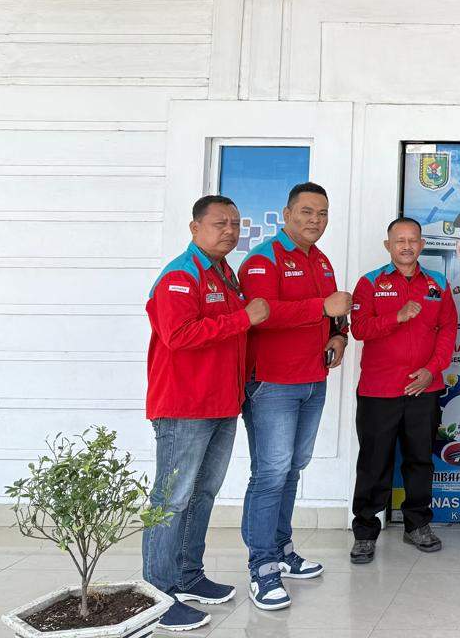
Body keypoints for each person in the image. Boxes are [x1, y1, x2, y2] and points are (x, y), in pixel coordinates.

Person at [142, 195, 269, 631]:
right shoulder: (181, 275)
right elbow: (178, 335)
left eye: (235, 223)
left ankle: (187, 575)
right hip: (184, 406)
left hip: (220, 403)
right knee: (171, 499)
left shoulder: (223, 273)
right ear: (195, 228)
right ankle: (158, 595)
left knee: (202, 494)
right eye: (219, 223)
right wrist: (244, 318)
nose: (230, 230)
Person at [238, 182, 352, 610]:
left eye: (322, 213)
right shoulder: (262, 260)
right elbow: (259, 315)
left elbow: (335, 313)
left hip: (312, 379)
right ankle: (261, 566)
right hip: (272, 384)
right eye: (307, 212)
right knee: (270, 473)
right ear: (286, 214)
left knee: (291, 470)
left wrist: (339, 336)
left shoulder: (320, 259)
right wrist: (322, 308)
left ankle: (282, 549)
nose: (315, 220)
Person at [348, 217, 459, 564]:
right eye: (400, 241)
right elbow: (359, 329)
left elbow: (448, 330)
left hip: (424, 389)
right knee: (374, 463)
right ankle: (365, 532)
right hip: (379, 390)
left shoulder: (438, 283)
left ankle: (418, 525)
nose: (407, 246)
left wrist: (431, 370)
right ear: (388, 246)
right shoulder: (370, 283)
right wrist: (396, 317)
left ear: (422, 244)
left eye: (413, 240)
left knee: (419, 460)